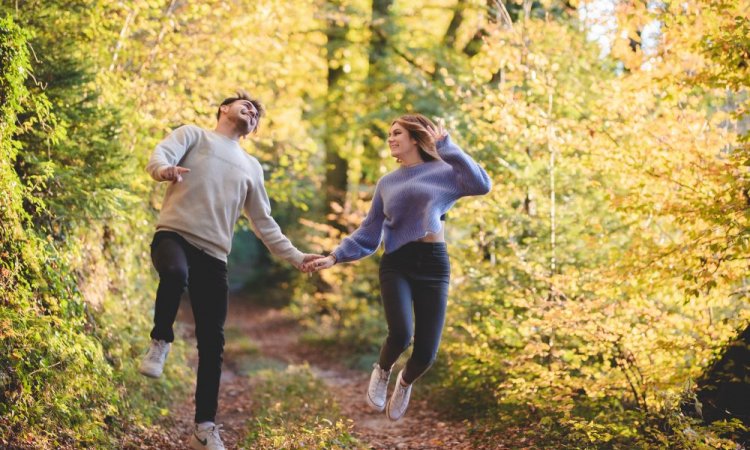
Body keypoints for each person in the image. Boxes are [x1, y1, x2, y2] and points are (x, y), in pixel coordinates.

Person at [139, 90, 322, 450]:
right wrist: (164, 171)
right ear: (224, 109)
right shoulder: (194, 134)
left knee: (213, 343)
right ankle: (160, 341)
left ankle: (205, 427)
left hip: (214, 255)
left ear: (253, 129)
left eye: (256, 114)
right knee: (174, 274)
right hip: (173, 236)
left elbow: (265, 224)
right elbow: (160, 155)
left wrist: (297, 257)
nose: (252, 112)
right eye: (247, 106)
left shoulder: (252, 167)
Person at [304, 114, 491, 421]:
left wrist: (447, 146)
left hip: (434, 264)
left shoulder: (444, 170)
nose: (390, 138)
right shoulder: (387, 182)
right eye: (389, 134)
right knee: (402, 333)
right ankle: (382, 370)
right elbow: (369, 231)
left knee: (427, 353)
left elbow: (481, 184)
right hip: (398, 263)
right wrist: (334, 256)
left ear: (416, 138)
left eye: (397, 133)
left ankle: (404, 383)